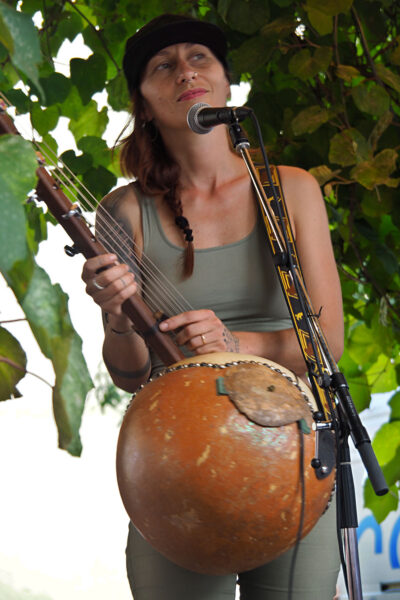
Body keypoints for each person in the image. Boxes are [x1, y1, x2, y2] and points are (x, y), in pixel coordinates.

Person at [81, 13, 344, 600]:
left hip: (295, 452)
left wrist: (237, 345)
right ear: (143, 104)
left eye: (199, 58)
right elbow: (128, 375)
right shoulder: (124, 211)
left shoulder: (292, 189)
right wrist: (120, 318)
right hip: (177, 467)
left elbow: (329, 344)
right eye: (162, 66)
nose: (185, 72)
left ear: (226, 83)